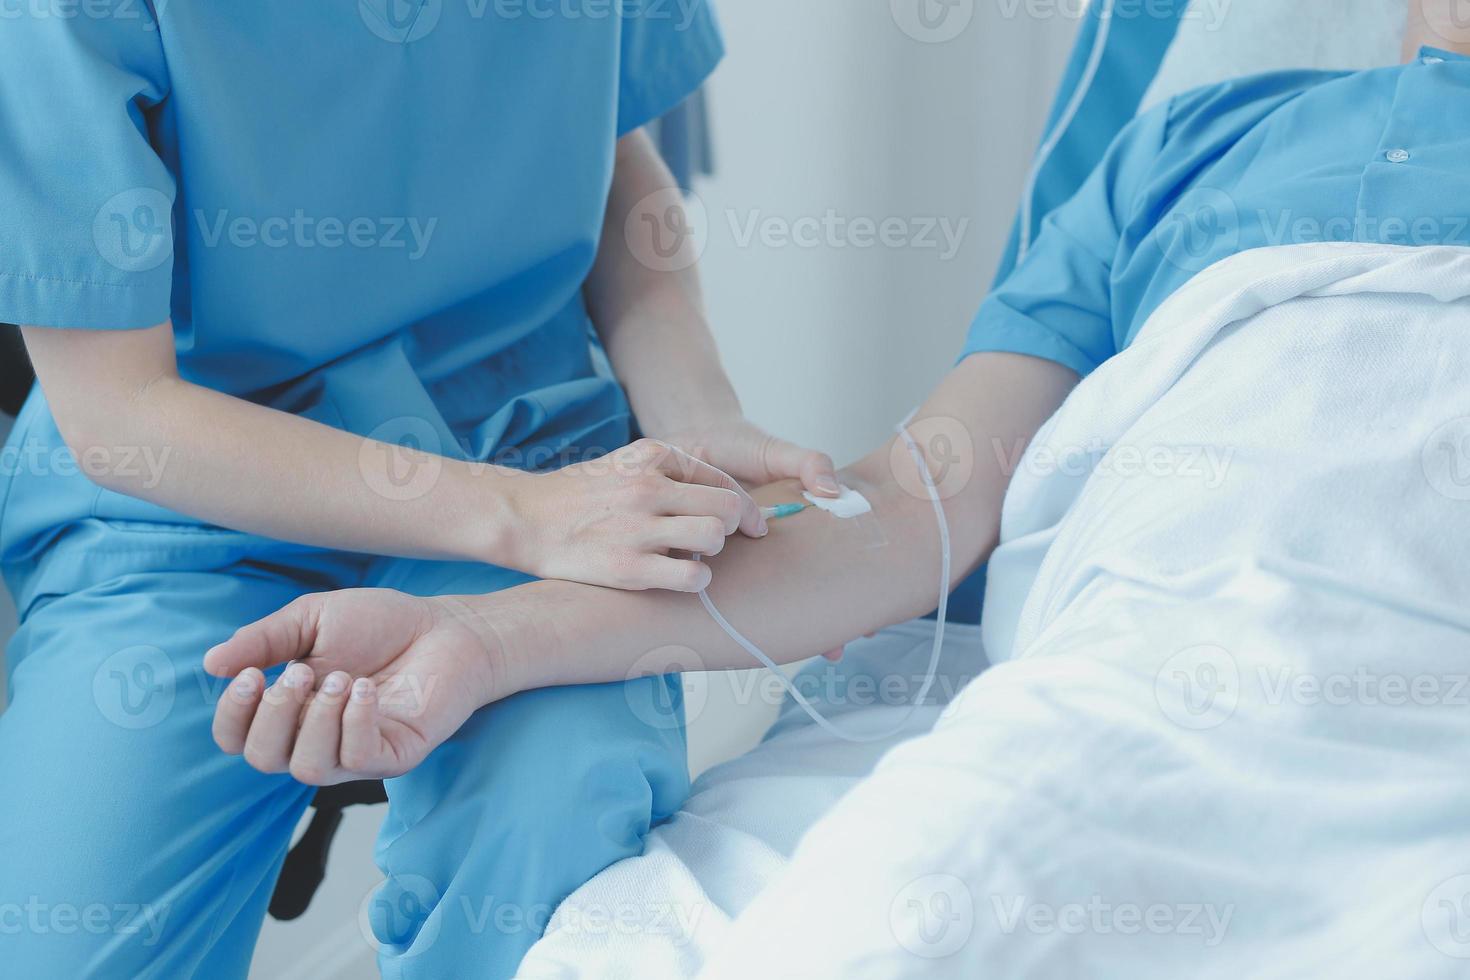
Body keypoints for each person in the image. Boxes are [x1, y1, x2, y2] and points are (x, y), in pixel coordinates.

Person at [204, 0, 1470, 950]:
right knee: (921, 890)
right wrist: (476, 636)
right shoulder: (1198, 151)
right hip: (1146, 688)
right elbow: (912, 503)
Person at [0, 2, 843, 977]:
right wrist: (517, 518)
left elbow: (612, 159)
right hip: (192, 502)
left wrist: (696, 419)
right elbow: (118, 413)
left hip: (538, 452)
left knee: (552, 837)